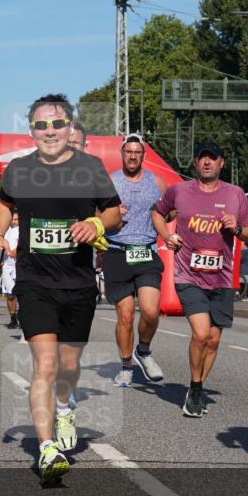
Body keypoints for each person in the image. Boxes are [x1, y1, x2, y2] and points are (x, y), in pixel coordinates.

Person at [0, 93, 121, 484]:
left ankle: (65, 406)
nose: (50, 131)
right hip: (35, 282)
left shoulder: (91, 167)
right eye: (41, 125)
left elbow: (113, 212)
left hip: (78, 282)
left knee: (68, 365)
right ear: (31, 131)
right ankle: (46, 449)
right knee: (44, 365)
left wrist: (96, 226)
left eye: (57, 124)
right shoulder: (18, 169)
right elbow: (3, 203)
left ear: (69, 127)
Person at [152, 141, 248, 418]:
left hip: (221, 278)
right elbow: (156, 212)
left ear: (222, 163)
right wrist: (166, 235)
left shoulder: (235, 195)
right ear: (195, 163)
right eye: (202, 158)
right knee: (200, 333)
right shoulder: (179, 191)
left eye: (213, 158)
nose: (207, 162)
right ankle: (196, 390)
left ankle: (196, 386)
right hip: (188, 275)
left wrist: (238, 229)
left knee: (213, 340)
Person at [105, 133, 169, 387]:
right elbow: (95, 213)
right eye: (128, 151)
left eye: (137, 152)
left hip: (146, 251)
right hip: (117, 251)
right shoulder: (110, 182)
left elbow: (168, 211)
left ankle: (143, 350)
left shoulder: (158, 182)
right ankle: (126, 366)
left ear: (143, 155)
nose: (132, 156)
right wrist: (110, 213)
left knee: (151, 311)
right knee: (126, 315)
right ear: (122, 154)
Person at [0, 211, 20, 328]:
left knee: (22, 293)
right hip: (7, 265)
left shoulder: (23, 231)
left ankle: (23, 316)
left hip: (20, 265)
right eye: (12, 219)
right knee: (10, 294)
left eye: (16, 219)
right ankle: (13, 319)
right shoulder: (5, 231)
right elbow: (1, 246)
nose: (14, 221)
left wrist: (16, 250)